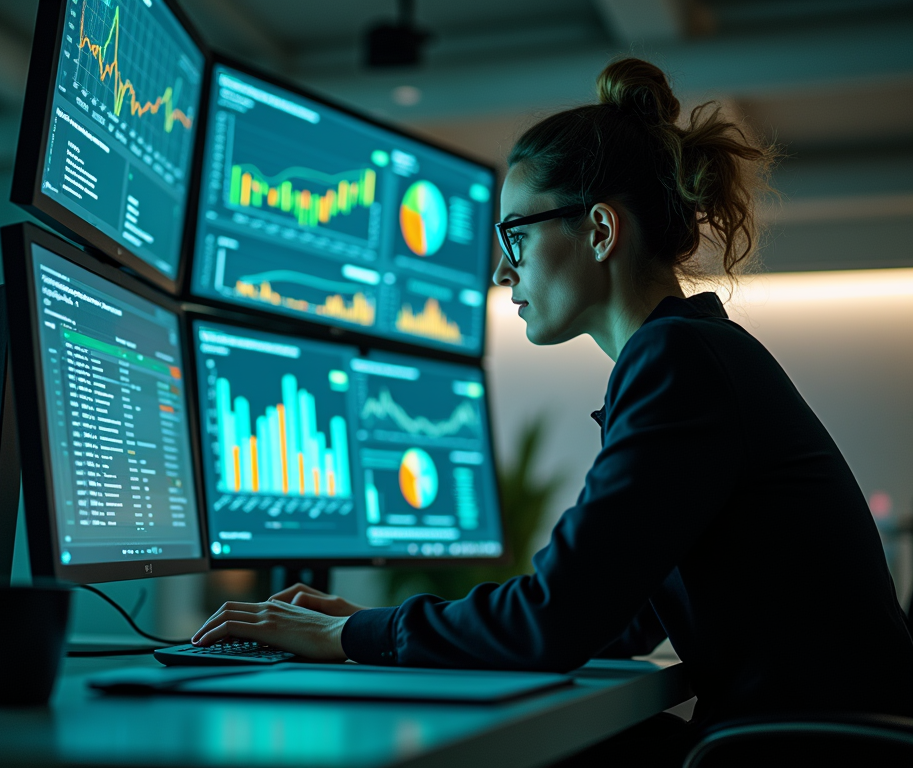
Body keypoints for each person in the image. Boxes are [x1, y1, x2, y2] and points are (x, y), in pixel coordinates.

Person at [192, 58, 913, 761]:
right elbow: (614, 614)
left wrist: (355, 636)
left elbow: (554, 621)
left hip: (810, 753)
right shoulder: (692, 355)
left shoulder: (679, 364)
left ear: (600, 231)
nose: (503, 271)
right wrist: (376, 624)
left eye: (518, 236)